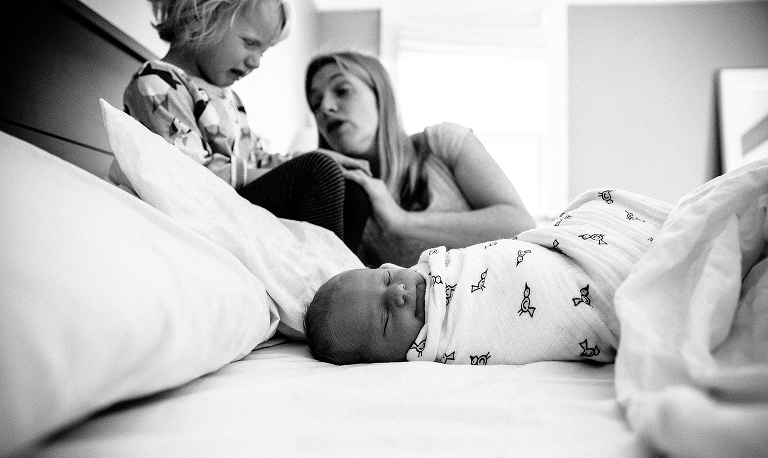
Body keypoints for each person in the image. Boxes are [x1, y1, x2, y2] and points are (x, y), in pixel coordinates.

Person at [305, 188, 674, 365]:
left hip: (575, 245)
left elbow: (507, 242)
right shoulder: (439, 347)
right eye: (385, 319)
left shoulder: (436, 265)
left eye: (386, 281)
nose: (399, 293)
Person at [114, 0, 369, 250]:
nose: (256, 62)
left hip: (239, 204)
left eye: (263, 51)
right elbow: (189, 173)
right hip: (211, 206)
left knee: (352, 190)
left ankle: (352, 278)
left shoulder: (229, 98)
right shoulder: (157, 82)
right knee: (318, 171)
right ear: (199, 17)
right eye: (250, 43)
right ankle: (332, 281)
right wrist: (312, 169)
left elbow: (257, 159)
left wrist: (312, 158)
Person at [305, 51, 537, 267]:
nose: (325, 108)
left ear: (380, 94)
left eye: (342, 90)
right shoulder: (344, 202)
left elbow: (520, 225)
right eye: (316, 104)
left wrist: (401, 221)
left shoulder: (443, 143)